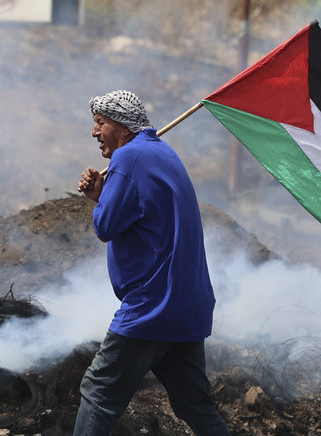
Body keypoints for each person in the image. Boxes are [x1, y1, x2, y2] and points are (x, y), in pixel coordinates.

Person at [75, 90, 231, 436]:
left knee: (98, 392)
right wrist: (105, 194)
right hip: (187, 304)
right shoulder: (160, 152)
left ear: (123, 127)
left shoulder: (128, 157)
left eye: (100, 123)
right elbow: (138, 212)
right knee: (194, 404)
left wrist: (99, 201)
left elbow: (106, 226)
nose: (94, 132)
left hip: (153, 306)